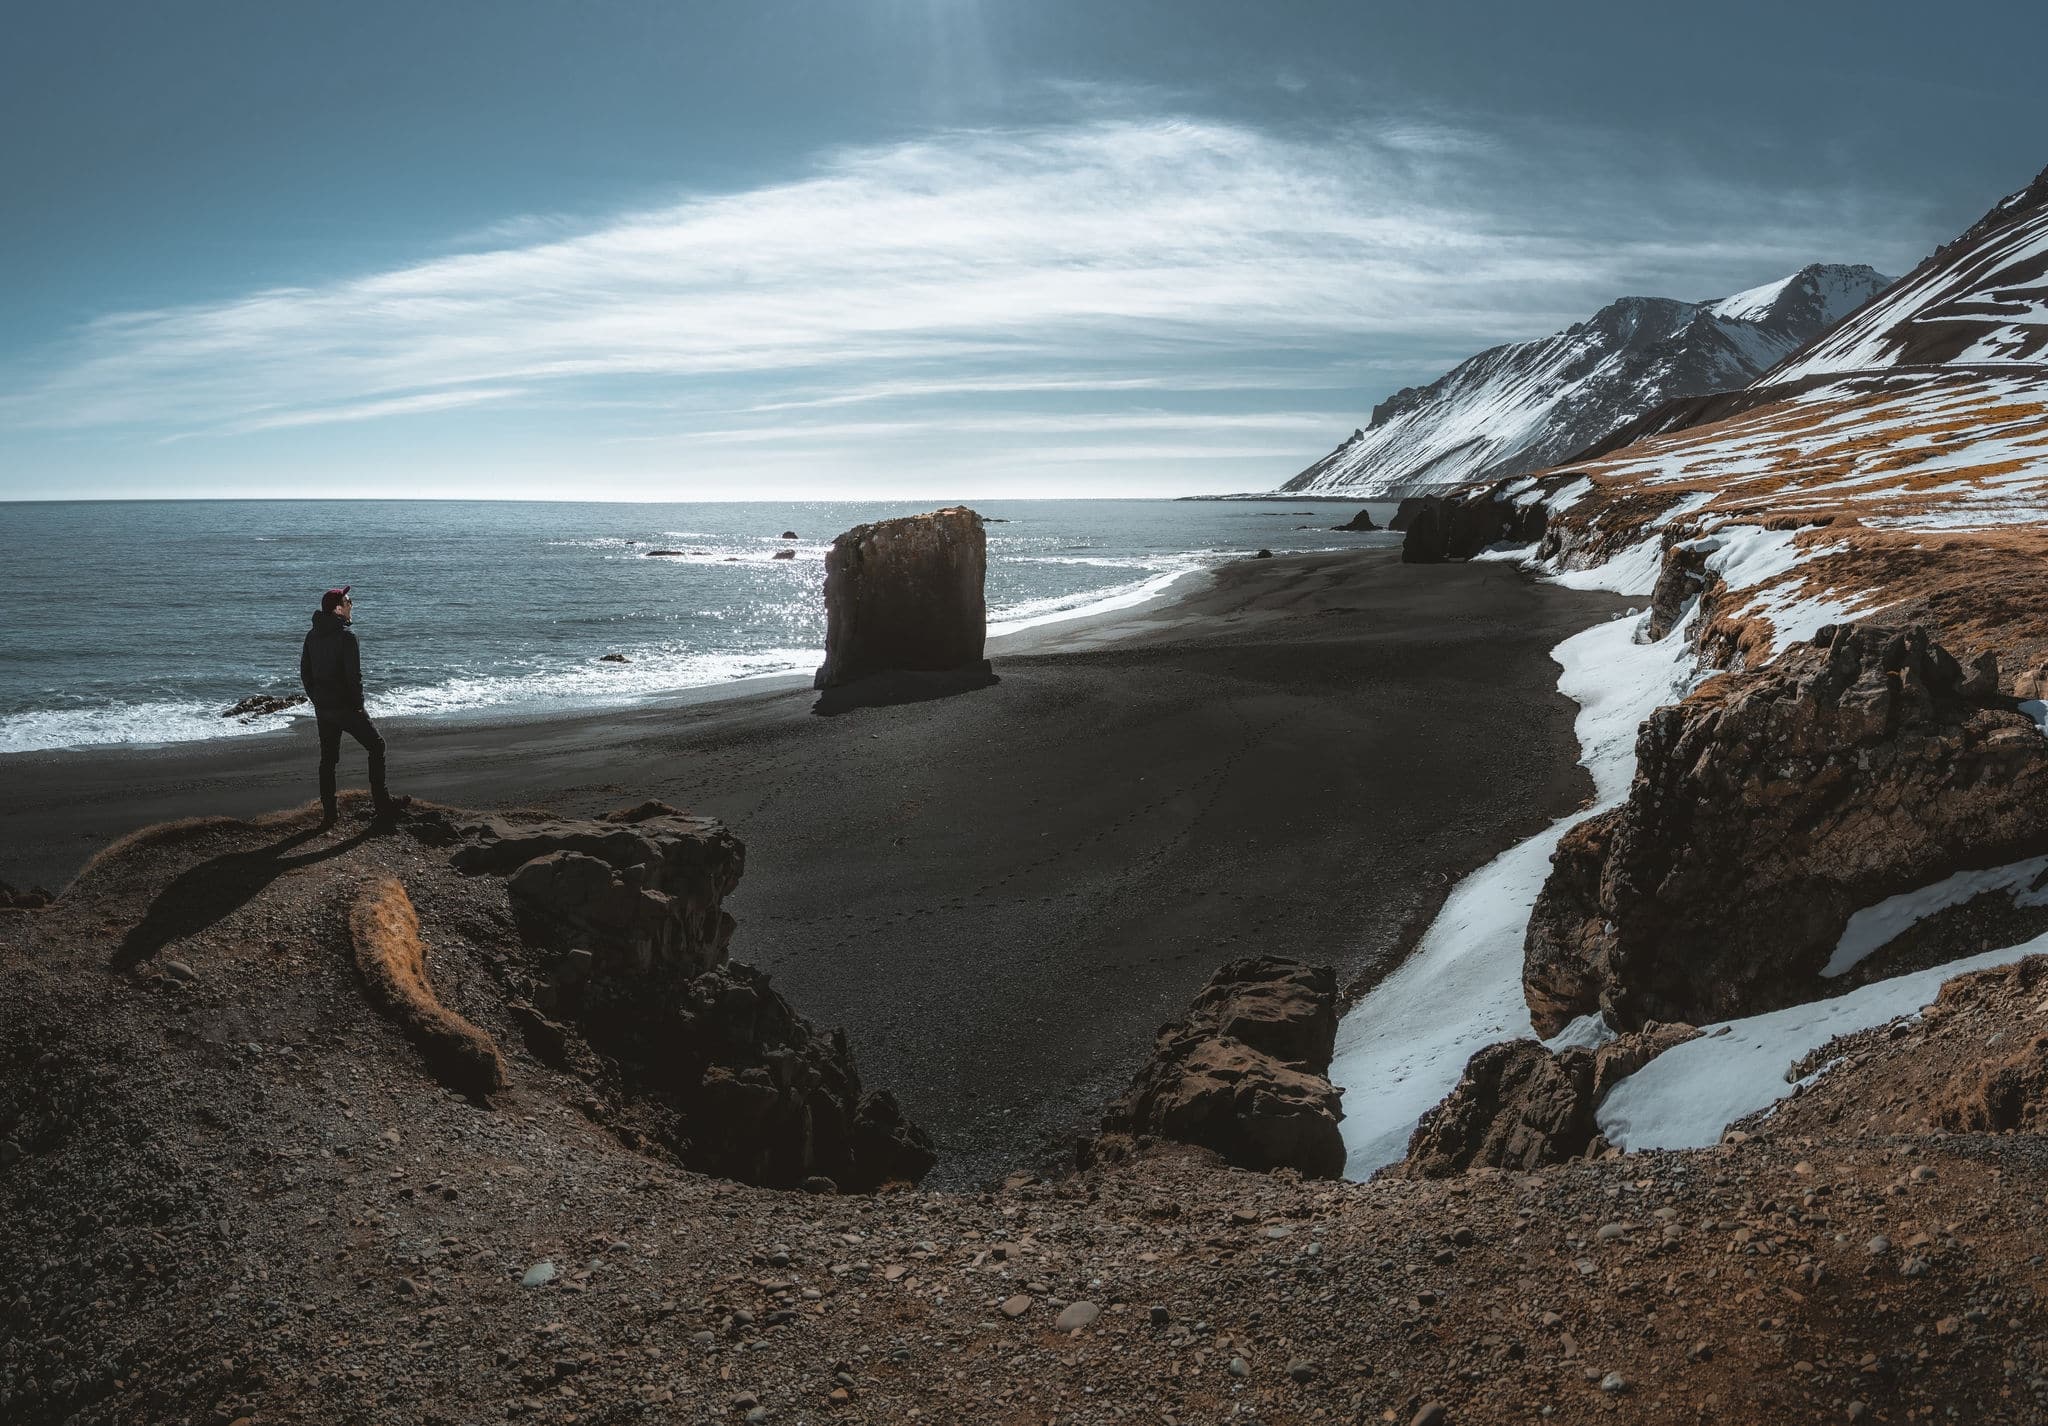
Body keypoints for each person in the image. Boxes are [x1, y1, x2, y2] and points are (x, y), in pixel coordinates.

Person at [299, 585, 395, 825]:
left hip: (324, 709)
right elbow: (354, 677)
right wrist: (358, 705)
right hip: (345, 708)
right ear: (339, 608)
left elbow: (305, 674)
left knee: (328, 760)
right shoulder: (347, 637)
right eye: (349, 601)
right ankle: (383, 807)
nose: (352, 605)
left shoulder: (312, 635)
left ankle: (329, 814)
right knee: (377, 746)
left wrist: (317, 699)